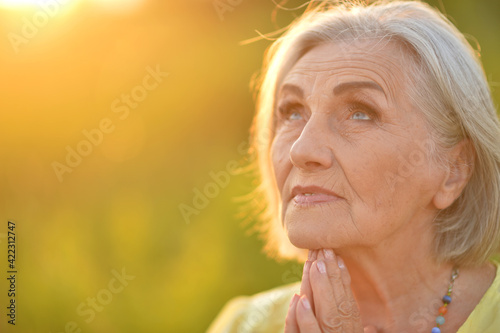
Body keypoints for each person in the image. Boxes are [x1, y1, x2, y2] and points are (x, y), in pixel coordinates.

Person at [207, 1, 500, 332]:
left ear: (454, 170)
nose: (301, 149)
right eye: (292, 112)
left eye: (360, 112)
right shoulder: (244, 324)